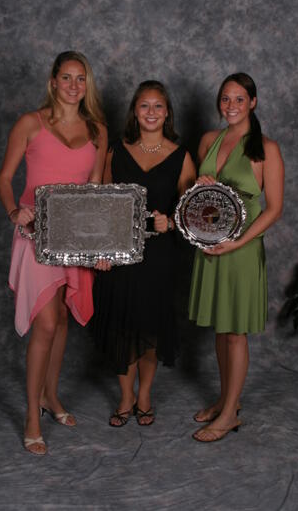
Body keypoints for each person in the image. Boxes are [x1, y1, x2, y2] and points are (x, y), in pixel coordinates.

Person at [0, 51, 107, 455]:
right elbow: (5, 177)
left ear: (86, 84)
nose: (74, 86)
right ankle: (31, 415)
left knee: (61, 318)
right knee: (45, 322)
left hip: (76, 238)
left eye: (81, 79)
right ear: (53, 81)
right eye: (66, 78)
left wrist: (100, 246)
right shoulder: (30, 123)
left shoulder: (97, 129)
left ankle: (50, 396)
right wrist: (13, 210)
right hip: (35, 233)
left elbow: (96, 194)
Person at [93, 80, 195, 426]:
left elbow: (191, 214)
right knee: (123, 328)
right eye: (144, 106)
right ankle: (125, 397)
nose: (151, 112)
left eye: (158, 106)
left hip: (159, 256)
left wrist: (173, 223)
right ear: (134, 113)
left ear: (167, 113)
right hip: (121, 255)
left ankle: (145, 395)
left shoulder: (182, 156)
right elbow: (102, 207)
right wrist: (101, 251)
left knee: (150, 329)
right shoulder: (116, 152)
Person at [189, 73, 284, 442]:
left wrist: (237, 243)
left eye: (239, 99)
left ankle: (229, 414)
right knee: (220, 326)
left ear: (253, 103)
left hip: (241, 250)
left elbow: (274, 209)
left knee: (234, 333)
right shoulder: (209, 140)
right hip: (211, 245)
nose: (230, 106)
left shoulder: (267, 148)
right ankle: (225, 399)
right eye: (225, 99)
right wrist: (197, 185)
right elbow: (198, 197)